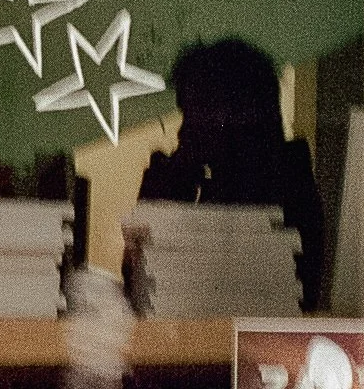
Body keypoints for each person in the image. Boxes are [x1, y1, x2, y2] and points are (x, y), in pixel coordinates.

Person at [136, 35, 329, 308]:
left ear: (231, 115)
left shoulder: (282, 189)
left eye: (193, 115)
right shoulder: (205, 179)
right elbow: (141, 276)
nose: (183, 131)